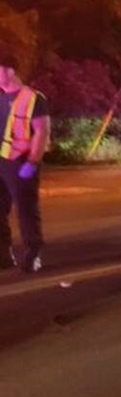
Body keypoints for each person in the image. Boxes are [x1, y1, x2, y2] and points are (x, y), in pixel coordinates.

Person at [0, 53, 51, 273]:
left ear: (10, 70)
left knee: (26, 210)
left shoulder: (33, 98)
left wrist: (32, 161)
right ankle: (3, 255)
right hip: (1, 160)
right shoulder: (0, 97)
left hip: (21, 161)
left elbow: (42, 131)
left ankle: (33, 253)